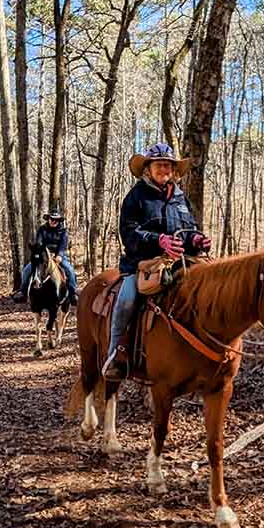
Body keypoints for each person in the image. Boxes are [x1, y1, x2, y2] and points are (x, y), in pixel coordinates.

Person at [102, 143, 211, 380]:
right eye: (159, 164)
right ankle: (115, 355)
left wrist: (197, 240)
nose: (164, 168)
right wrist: (158, 241)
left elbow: (188, 230)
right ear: (148, 169)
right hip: (142, 263)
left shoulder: (180, 198)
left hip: (182, 262)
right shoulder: (136, 197)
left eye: (168, 165)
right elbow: (128, 233)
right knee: (127, 300)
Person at [12, 209, 79, 304]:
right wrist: (44, 253)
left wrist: (59, 255)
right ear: (48, 219)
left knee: (70, 270)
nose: (53, 221)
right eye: (52, 219)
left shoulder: (63, 232)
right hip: (43, 255)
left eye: (56, 220)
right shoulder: (42, 230)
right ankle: (22, 291)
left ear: (59, 221)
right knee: (27, 270)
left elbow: (63, 245)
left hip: (58, 256)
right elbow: (39, 243)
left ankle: (72, 293)